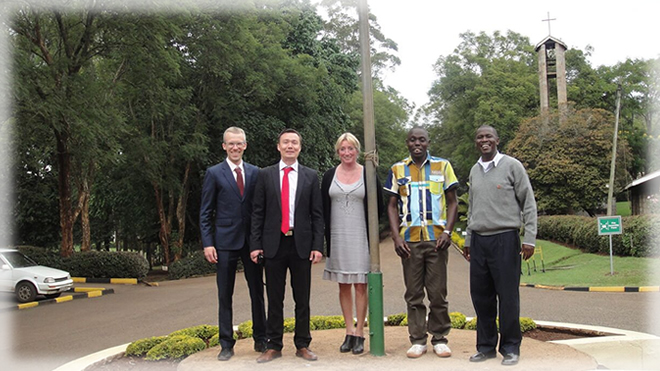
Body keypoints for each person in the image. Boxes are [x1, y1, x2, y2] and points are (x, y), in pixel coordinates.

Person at [463, 125, 537, 366]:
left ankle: (511, 347)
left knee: (508, 296)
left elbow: (528, 203)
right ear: (476, 142)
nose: (484, 140)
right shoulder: (474, 170)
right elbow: (472, 208)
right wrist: (468, 240)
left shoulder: (512, 166)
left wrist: (529, 239)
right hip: (480, 242)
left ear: (497, 140)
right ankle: (485, 347)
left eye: (488, 136)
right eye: (480, 137)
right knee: (481, 297)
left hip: (506, 238)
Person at [250, 128, 324, 363]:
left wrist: (317, 245)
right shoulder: (265, 175)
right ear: (278, 146)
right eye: (286, 142)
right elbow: (257, 212)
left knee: (302, 298)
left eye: (294, 142)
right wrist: (255, 244)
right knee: (274, 297)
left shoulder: (310, 176)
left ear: (300, 147)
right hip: (273, 245)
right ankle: (274, 345)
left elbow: (317, 215)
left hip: (301, 244)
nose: (290, 146)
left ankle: (302, 344)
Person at [384, 126, 458, 359]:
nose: (417, 143)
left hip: (437, 240)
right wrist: (396, 236)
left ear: (428, 142)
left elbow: (453, 202)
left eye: (422, 140)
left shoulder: (442, 166)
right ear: (407, 143)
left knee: (437, 292)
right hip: (409, 242)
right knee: (414, 293)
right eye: (413, 140)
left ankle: (440, 338)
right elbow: (392, 205)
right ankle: (417, 340)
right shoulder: (397, 169)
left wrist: (447, 231)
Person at [199, 127, 267, 361]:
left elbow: (261, 209)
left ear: (245, 146)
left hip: (252, 243)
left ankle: (261, 338)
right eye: (231, 144)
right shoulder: (214, 173)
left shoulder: (256, 172)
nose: (235, 147)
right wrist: (208, 243)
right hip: (224, 243)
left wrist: (260, 241)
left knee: (257, 291)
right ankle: (226, 343)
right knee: (224, 294)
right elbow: (205, 212)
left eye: (239, 143)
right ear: (224, 146)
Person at [321, 133, 383, 355]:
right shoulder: (329, 176)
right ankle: (348, 330)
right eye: (342, 149)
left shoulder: (369, 174)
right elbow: (322, 208)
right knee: (343, 284)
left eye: (351, 149)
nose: (347, 153)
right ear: (338, 151)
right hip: (337, 237)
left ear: (358, 151)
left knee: (360, 284)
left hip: (360, 237)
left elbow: (380, 207)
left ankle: (360, 332)